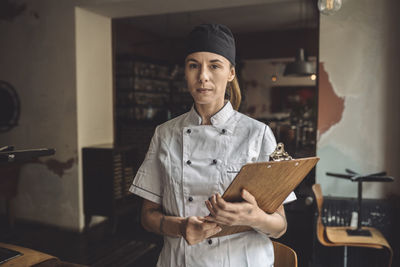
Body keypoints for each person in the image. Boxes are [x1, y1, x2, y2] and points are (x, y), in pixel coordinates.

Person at [129, 23, 296, 267]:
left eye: (214, 65)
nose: (203, 76)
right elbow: (147, 217)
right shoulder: (164, 134)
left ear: (230, 73)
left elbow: (280, 227)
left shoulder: (258, 134)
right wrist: (180, 226)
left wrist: (256, 217)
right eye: (193, 65)